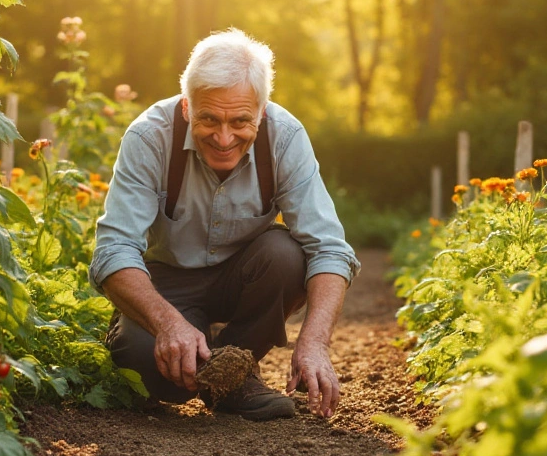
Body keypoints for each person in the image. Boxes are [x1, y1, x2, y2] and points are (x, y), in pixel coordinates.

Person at [90, 29, 360, 421]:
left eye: (240, 121)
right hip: (170, 279)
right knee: (151, 368)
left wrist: (315, 342)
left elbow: (330, 248)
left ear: (262, 111)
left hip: (246, 275)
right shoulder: (150, 137)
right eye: (209, 118)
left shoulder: (285, 138)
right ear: (186, 107)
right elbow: (112, 251)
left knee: (288, 257)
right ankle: (209, 366)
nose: (223, 137)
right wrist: (167, 325)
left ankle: (235, 369)